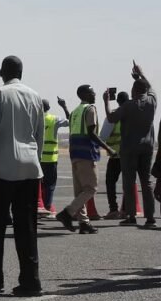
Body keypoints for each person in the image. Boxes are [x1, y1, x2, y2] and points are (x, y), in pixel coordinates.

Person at [0, 55, 44, 296]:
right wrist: (36, 162)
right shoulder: (34, 96)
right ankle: (31, 281)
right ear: (21, 73)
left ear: (2, 72)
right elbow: (39, 135)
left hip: (3, 170)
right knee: (27, 228)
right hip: (30, 168)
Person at [56, 86, 116, 234]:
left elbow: (71, 121)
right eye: (91, 92)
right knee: (91, 188)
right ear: (83, 94)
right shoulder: (90, 109)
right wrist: (108, 148)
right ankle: (67, 213)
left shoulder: (76, 111)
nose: (94, 94)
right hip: (86, 154)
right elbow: (91, 133)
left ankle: (83, 223)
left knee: (80, 191)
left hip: (74, 153)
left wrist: (64, 107)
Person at [105, 62, 156, 229]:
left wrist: (106, 102)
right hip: (147, 147)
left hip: (129, 149)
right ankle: (150, 218)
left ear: (134, 91)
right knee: (146, 182)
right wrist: (141, 74)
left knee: (129, 181)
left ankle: (131, 216)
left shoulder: (128, 105)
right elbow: (149, 87)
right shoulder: (152, 102)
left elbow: (111, 118)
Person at [100, 91, 129, 219]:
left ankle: (114, 210)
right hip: (131, 155)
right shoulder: (134, 114)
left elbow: (103, 137)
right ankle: (127, 210)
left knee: (110, 182)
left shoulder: (113, 116)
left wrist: (106, 102)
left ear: (117, 101)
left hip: (116, 156)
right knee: (129, 183)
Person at [40, 98, 69, 215]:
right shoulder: (54, 119)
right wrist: (64, 106)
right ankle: (47, 206)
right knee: (50, 184)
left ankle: (40, 205)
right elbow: (69, 120)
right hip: (51, 158)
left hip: (38, 158)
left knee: (39, 184)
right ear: (49, 108)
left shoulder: (34, 119)